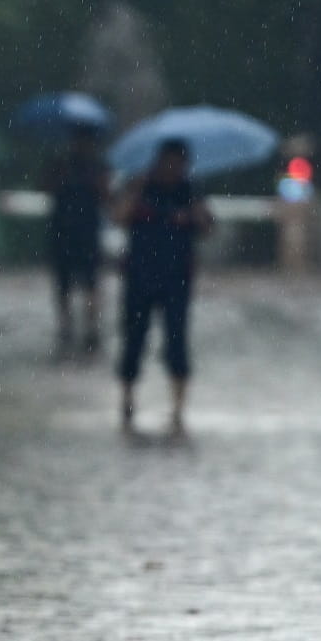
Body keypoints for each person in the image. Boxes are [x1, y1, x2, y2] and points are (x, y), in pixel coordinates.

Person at [114, 138, 212, 436]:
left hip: (177, 279)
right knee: (134, 338)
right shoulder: (140, 187)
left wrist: (193, 213)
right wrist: (134, 192)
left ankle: (178, 408)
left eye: (178, 162)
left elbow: (208, 228)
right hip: (140, 276)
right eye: (167, 161)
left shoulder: (190, 192)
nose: (172, 168)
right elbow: (118, 217)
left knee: (177, 340)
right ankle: (127, 400)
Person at [42, 123, 112, 354]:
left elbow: (107, 196)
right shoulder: (60, 164)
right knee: (64, 284)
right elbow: (46, 188)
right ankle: (67, 327)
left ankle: (90, 328)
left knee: (90, 283)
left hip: (86, 233)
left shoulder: (98, 167)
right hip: (63, 232)